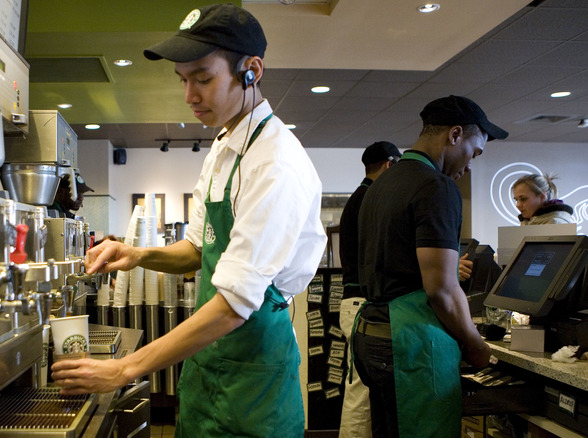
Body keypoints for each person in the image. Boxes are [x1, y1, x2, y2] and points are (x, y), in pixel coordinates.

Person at [51, 4, 326, 437]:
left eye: (203, 78)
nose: (189, 96)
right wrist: (137, 253)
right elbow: (198, 249)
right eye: (183, 80)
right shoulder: (223, 147)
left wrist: (124, 370)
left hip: (253, 376)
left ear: (251, 70)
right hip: (207, 366)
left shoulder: (276, 164)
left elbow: (235, 304)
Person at [353, 95, 506, 437]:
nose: (470, 164)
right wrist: (475, 344)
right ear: (454, 136)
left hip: (370, 333)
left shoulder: (380, 185)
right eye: (474, 152)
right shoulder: (436, 187)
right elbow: (442, 289)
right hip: (409, 343)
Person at [338, 140, 401, 438]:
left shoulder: (360, 198)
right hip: (361, 304)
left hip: (354, 303)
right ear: (390, 164)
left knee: (362, 391)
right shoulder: (371, 200)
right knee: (361, 394)